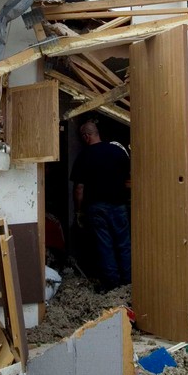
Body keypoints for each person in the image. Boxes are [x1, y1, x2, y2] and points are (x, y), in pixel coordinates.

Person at [70, 119, 132, 291]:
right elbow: (129, 179)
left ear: (86, 136)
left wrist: (78, 211)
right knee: (124, 245)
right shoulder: (117, 151)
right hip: (119, 206)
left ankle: (113, 287)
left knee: (105, 247)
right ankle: (128, 284)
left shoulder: (84, 156)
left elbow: (79, 189)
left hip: (96, 208)